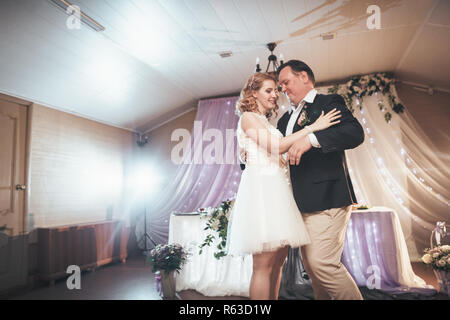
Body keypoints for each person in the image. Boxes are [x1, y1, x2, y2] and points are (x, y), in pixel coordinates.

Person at [226, 72, 342, 300]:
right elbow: (277, 146)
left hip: (279, 193)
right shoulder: (248, 118)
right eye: (268, 90)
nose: (275, 95)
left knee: (278, 264)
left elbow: (277, 153)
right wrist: (313, 127)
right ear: (253, 93)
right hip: (263, 194)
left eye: (275, 91)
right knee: (263, 267)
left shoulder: (266, 122)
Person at [277, 60, 364, 300]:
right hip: (299, 205)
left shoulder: (328, 103)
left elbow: (354, 133)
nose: (282, 89)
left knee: (323, 265)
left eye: (286, 82)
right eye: (280, 85)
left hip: (328, 198)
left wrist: (311, 140)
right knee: (314, 271)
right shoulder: (285, 120)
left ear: (304, 76)